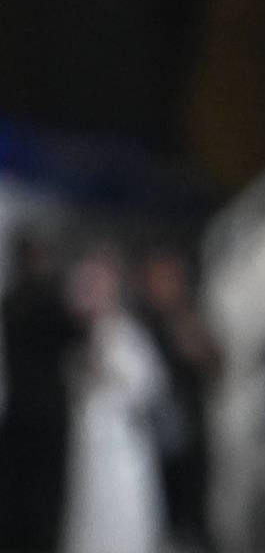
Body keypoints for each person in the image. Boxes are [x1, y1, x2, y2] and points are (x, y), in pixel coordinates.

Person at [61, 246, 169, 553]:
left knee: (124, 506)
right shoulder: (89, 336)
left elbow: (149, 382)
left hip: (122, 438)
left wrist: (110, 377)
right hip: (91, 439)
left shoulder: (126, 333)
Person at [0, 231, 84, 553]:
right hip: (48, 415)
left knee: (16, 492)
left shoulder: (10, 302)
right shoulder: (51, 301)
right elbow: (77, 338)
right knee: (45, 495)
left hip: (18, 412)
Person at [138, 245, 222, 553]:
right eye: (157, 278)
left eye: (169, 277)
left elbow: (216, 366)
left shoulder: (191, 317)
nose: (163, 286)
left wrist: (193, 343)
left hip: (191, 430)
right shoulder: (142, 325)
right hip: (153, 437)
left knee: (195, 512)